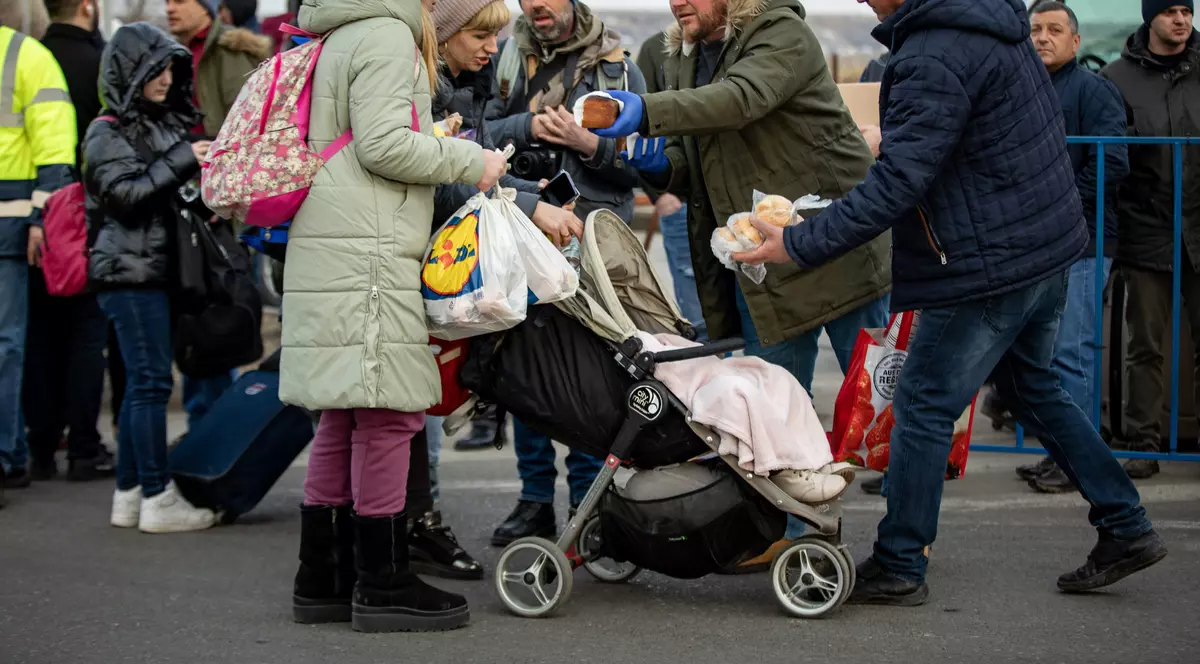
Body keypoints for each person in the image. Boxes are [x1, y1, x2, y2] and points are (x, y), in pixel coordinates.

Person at [731, 0, 1165, 605]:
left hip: (986, 264)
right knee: (1032, 387)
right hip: (1042, 248)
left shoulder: (932, 54)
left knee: (923, 402)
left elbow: (899, 181)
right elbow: (973, 143)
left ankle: (900, 562)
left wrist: (799, 243)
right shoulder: (986, 23)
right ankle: (1125, 522)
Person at [590, 0, 891, 556]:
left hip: (836, 245)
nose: (679, 2)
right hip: (762, 261)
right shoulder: (683, 56)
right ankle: (797, 538)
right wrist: (661, 167)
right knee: (771, 409)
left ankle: (903, 543)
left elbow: (739, 99)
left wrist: (647, 110)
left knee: (878, 405)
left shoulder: (781, 31)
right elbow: (694, 160)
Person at [283, 0, 507, 633]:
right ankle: (382, 582)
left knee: (343, 410)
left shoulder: (344, 29)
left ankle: (322, 577)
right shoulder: (386, 33)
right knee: (390, 413)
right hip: (370, 246)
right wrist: (472, 161)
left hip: (338, 236)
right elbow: (382, 145)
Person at [399, 0, 585, 580]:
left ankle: (413, 524)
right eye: (480, 35)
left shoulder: (463, 85)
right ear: (444, 33)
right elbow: (442, 178)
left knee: (416, 406)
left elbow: (473, 169)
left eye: (495, 35)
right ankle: (406, 531)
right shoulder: (421, 88)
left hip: (436, 257)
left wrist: (528, 191)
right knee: (407, 408)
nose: (491, 47)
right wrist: (527, 205)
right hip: (419, 261)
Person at [482, 0, 646, 547]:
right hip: (520, 234)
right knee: (526, 371)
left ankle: (587, 503)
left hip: (591, 245)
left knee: (590, 377)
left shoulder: (617, 71)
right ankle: (534, 501)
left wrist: (586, 144)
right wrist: (528, 126)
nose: (536, 5)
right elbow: (474, 138)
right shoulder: (504, 59)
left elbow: (642, 165)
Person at [84, 22, 218, 533]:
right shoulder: (106, 132)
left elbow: (163, 195)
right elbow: (125, 198)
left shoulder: (157, 125)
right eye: (155, 70)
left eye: (170, 70)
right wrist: (184, 159)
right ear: (129, 73)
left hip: (148, 271)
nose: (165, 79)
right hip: (129, 274)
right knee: (150, 385)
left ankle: (130, 493)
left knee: (143, 385)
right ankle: (158, 496)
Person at [1019, 1, 1131, 493]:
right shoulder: (1021, 89)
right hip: (1035, 244)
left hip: (1083, 241)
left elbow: (1112, 162)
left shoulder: (1094, 90)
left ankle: (1079, 464)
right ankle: (1060, 455)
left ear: (1076, 41)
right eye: (1035, 29)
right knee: (1044, 357)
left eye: (1054, 30)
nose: (1043, 37)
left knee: (1072, 353)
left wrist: (1057, 207)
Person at [1102, 1, 1199, 480]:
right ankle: (1143, 443)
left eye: (1187, 10)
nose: (1181, 20)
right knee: (1144, 346)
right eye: (1170, 11)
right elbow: (1109, 156)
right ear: (1150, 17)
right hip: (1145, 228)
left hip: (1199, 226)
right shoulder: (1116, 78)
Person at [166, 0, 271, 429]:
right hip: (186, 204)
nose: (170, 7)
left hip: (223, 211)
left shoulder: (232, 50)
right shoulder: (170, 51)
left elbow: (249, 133)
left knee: (220, 320)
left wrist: (232, 205)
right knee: (197, 317)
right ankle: (204, 427)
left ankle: (215, 429)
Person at [21, 0, 113, 483]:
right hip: (86, 221)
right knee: (85, 337)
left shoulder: (29, 60)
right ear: (87, 7)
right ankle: (83, 446)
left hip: (34, 215)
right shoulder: (101, 66)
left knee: (40, 335)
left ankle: (40, 445)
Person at [0, 1, 75, 507]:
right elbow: (55, 143)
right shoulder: (26, 55)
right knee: (5, 346)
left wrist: (40, 215)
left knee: (5, 347)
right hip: (10, 223)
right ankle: (7, 456)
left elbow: (53, 144)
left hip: (9, 225)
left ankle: (7, 454)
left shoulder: (24, 55)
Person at [636, 28, 707, 342]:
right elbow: (641, 126)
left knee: (751, 314)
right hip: (679, 200)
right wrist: (659, 194)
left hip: (735, 202)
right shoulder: (655, 49)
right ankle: (707, 368)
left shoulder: (737, 46)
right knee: (697, 315)